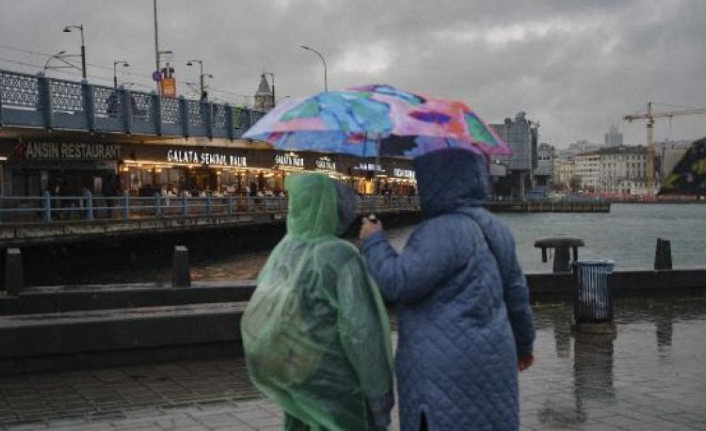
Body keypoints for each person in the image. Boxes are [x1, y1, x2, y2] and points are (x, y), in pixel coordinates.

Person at [359, 148, 536, 431]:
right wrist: (524, 345)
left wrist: (374, 242)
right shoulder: (497, 228)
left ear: (433, 179)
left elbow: (399, 283)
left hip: (443, 370)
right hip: (494, 358)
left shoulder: (439, 231)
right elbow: (517, 295)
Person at [242, 173, 394, 431]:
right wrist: (379, 390)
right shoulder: (339, 256)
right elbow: (361, 331)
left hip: (295, 375)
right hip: (335, 379)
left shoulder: (283, 250)